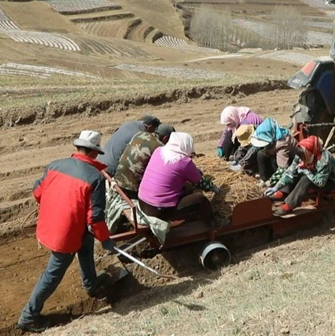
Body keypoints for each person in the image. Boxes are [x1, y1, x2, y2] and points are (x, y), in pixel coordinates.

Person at [18, 130, 116, 333]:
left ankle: (91, 284)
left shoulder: (55, 165)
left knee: (86, 245)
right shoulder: (95, 178)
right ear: (95, 153)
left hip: (50, 224)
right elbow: (95, 217)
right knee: (53, 273)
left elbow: (38, 192)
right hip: (65, 233)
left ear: (77, 148)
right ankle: (29, 316)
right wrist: (106, 240)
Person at [138, 132, 214, 224]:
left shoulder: (158, 151)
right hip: (159, 211)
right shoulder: (184, 162)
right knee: (200, 199)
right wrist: (213, 187)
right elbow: (201, 182)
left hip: (142, 201)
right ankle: (213, 223)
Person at [268, 135, 335, 216]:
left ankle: (289, 205)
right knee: (295, 173)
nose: (301, 159)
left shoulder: (324, 160)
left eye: (303, 157)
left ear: (310, 152)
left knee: (305, 180)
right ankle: (282, 192)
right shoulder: (301, 154)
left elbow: (320, 182)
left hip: (331, 181)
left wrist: (306, 171)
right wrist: (277, 186)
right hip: (315, 173)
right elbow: (289, 172)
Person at [113, 124, 175, 200]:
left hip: (118, 178)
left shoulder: (140, 134)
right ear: (165, 138)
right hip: (133, 188)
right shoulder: (160, 147)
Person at [250, 118, 297, 186]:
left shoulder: (282, 145)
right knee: (261, 154)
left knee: (273, 161)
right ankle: (263, 179)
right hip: (275, 155)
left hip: (289, 163)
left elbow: (282, 168)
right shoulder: (273, 136)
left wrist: (272, 181)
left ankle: (274, 183)